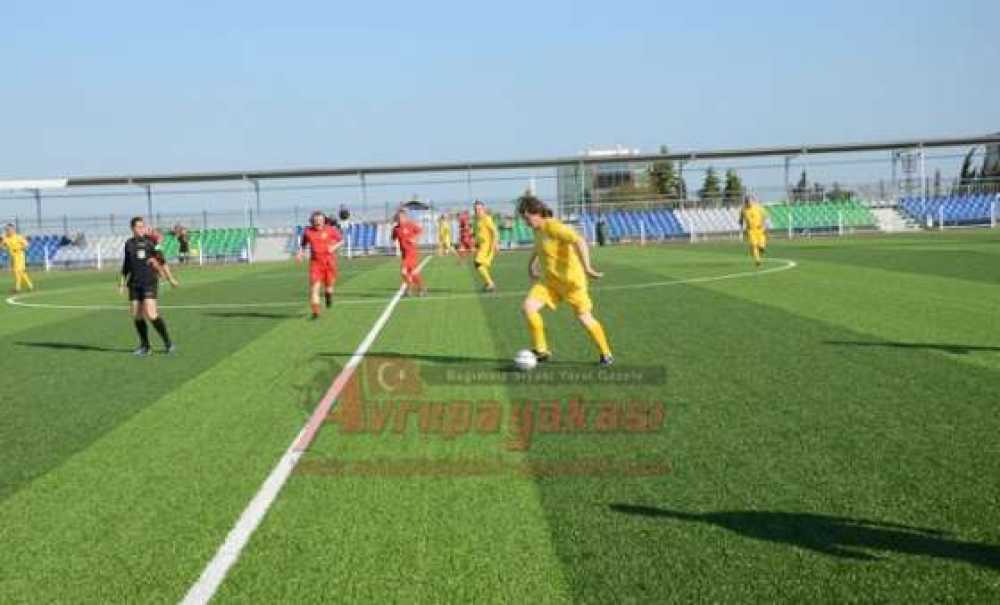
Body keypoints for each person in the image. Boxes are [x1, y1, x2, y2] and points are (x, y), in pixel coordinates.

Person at [518, 195, 613, 366]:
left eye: (526, 218)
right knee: (528, 307)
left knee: (584, 317)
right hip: (550, 282)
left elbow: (579, 241)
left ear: (536, 213)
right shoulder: (537, 230)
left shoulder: (555, 227)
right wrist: (531, 265)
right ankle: (541, 351)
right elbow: (538, 247)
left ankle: (606, 353)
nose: (525, 222)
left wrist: (587, 267)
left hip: (571, 283)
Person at [120, 216, 174, 356]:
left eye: (142, 226)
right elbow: (126, 266)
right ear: (132, 228)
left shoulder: (151, 242)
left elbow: (162, 261)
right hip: (134, 284)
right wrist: (122, 283)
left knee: (151, 314)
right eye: (138, 227)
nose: (140, 229)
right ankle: (145, 346)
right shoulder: (128, 244)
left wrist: (170, 279)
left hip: (149, 282)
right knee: (137, 315)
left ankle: (168, 342)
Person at [297, 211, 343, 319]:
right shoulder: (308, 232)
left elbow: (341, 241)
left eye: (319, 219)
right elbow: (303, 245)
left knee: (329, 287)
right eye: (315, 220)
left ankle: (328, 296)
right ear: (312, 221)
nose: (317, 222)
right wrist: (300, 253)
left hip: (329, 263)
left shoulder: (330, 230)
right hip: (315, 264)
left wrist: (333, 248)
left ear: (323, 220)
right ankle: (315, 312)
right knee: (314, 288)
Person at [391, 208, 426, 296]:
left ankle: (410, 288)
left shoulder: (410, 224)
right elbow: (393, 238)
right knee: (413, 273)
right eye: (398, 218)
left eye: (401, 217)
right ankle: (421, 288)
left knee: (404, 271)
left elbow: (420, 231)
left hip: (412, 253)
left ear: (405, 217)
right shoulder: (396, 229)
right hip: (404, 254)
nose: (400, 219)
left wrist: (415, 239)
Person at [473, 200, 499, 292]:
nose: (477, 211)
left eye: (479, 209)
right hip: (482, 246)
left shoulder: (486, 218)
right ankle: (488, 283)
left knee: (478, 263)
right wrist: (476, 243)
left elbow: (495, 231)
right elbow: (479, 233)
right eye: (476, 209)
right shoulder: (477, 220)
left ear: (483, 209)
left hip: (488, 246)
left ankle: (490, 284)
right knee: (480, 265)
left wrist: (496, 244)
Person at [1, 224, 34, 293]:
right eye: (6, 230)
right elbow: (1, 246)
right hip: (12, 256)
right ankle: (30, 285)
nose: (7, 231)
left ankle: (17, 287)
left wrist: (20, 248)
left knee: (17, 270)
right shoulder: (5, 238)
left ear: (13, 230)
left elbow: (27, 245)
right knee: (20, 271)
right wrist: (4, 248)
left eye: (9, 229)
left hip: (20, 255)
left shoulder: (18, 237)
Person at [738, 193, 768, 267]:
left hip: (760, 229)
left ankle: (761, 249)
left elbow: (765, 215)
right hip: (750, 230)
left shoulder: (758, 207)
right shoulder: (743, 209)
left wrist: (763, 224)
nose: (749, 202)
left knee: (761, 247)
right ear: (745, 201)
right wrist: (741, 224)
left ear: (752, 201)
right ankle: (757, 261)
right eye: (747, 201)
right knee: (753, 245)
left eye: (750, 201)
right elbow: (741, 218)